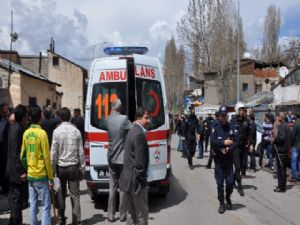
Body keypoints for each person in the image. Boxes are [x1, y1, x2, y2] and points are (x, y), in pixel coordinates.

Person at [51, 107, 85, 225]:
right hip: (74, 167)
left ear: (60, 118)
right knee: (75, 195)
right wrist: (83, 167)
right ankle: (77, 221)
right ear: (70, 117)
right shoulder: (76, 131)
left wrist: (52, 169)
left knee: (61, 194)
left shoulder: (57, 131)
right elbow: (81, 152)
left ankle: (61, 219)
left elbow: (53, 152)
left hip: (61, 168)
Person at [20, 105, 53, 225]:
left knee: (33, 203)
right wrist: (51, 176)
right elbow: (47, 157)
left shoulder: (26, 133)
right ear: (40, 118)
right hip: (42, 174)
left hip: (31, 174)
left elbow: (22, 156)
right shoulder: (42, 134)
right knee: (45, 205)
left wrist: (28, 167)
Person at [120, 107, 150, 225]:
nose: (149, 121)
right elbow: (139, 163)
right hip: (136, 182)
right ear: (139, 118)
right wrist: (142, 180)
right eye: (146, 118)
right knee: (141, 215)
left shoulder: (132, 131)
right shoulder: (139, 134)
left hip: (128, 180)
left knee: (131, 215)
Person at [106, 99, 132, 222]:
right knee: (123, 188)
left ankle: (110, 215)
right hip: (122, 159)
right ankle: (122, 215)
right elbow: (133, 129)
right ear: (120, 107)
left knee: (112, 187)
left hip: (111, 157)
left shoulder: (108, 119)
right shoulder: (124, 119)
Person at [211, 106, 238, 214]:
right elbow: (212, 141)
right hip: (218, 160)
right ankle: (221, 203)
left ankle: (228, 197)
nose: (224, 117)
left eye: (225, 115)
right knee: (220, 184)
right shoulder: (215, 127)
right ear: (219, 116)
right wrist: (223, 143)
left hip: (228, 159)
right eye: (222, 115)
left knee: (230, 182)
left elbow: (236, 141)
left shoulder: (231, 127)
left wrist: (228, 148)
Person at [5, 105, 28, 225]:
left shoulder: (15, 127)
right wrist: (21, 173)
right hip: (15, 173)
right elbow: (15, 153)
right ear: (22, 117)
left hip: (13, 171)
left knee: (16, 202)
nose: (27, 119)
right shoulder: (17, 129)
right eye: (26, 116)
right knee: (16, 201)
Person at [231, 102, 250, 196]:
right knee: (237, 167)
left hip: (243, 147)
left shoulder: (246, 121)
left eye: (243, 110)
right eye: (241, 110)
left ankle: (233, 180)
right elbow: (229, 134)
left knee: (242, 166)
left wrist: (250, 144)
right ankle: (240, 186)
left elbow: (249, 133)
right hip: (235, 148)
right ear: (237, 110)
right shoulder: (233, 121)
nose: (242, 111)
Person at [273, 112, 292, 192]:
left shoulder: (282, 126)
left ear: (280, 117)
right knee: (283, 170)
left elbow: (281, 138)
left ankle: (281, 187)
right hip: (285, 150)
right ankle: (282, 186)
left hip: (281, 150)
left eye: (278, 116)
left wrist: (275, 139)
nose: (277, 118)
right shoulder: (287, 126)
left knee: (281, 171)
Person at [183, 105, 199, 169]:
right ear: (191, 110)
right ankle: (190, 164)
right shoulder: (188, 119)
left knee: (194, 150)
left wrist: (199, 133)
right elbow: (185, 128)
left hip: (193, 136)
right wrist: (184, 137)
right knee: (190, 150)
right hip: (188, 136)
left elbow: (198, 126)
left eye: (194, 110)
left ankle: (189, 156)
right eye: (193, 110)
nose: (194, 111)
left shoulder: (195, 118)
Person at [0, 103, 10, 194]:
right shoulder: (3, 122)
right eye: (4, 109)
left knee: (4, 170)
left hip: (5, 151)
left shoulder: (7, 122)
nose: (5, 111)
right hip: (2, 150)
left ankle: (5, 187)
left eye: (6, 109)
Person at [289, 113, 300, 182]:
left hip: (296, 145)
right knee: (299, 161)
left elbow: (292, 135)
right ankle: (299, 175)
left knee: (294, 160)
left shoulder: (296, 124)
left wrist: (291, 144)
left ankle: (294, 176)